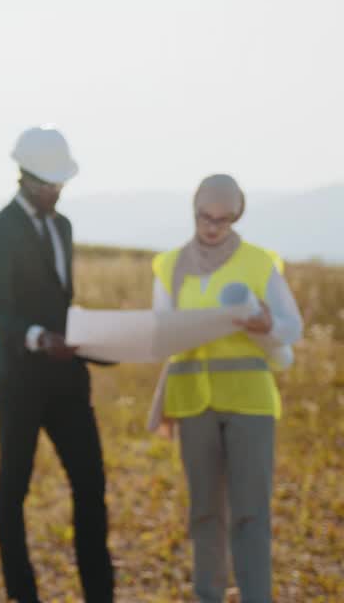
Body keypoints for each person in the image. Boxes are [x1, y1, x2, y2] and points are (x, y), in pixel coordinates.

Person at [145, 174, 303, 603]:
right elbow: (161, 333)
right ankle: (207, 596)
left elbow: (293, 327)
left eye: (223, 219)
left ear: (236, 217)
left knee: (250, 514)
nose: (212, 227)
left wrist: (267, 324)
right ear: (194, 210)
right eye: (204, 217)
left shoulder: (257, 263)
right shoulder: (169, 266)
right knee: (205, 514)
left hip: (250, 404)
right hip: (194, 402)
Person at [0, 127, 116, 603]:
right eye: (49, 184)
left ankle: (100, 594)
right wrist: (39, 338)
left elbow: (61, 300)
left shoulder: (65, 227)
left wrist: (90, 338)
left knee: (91, 484)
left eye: (60, 184)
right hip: (17, 380)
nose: (56, 192)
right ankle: (23, 595)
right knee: (14, 489)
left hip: (69, 380)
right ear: (25, 178)